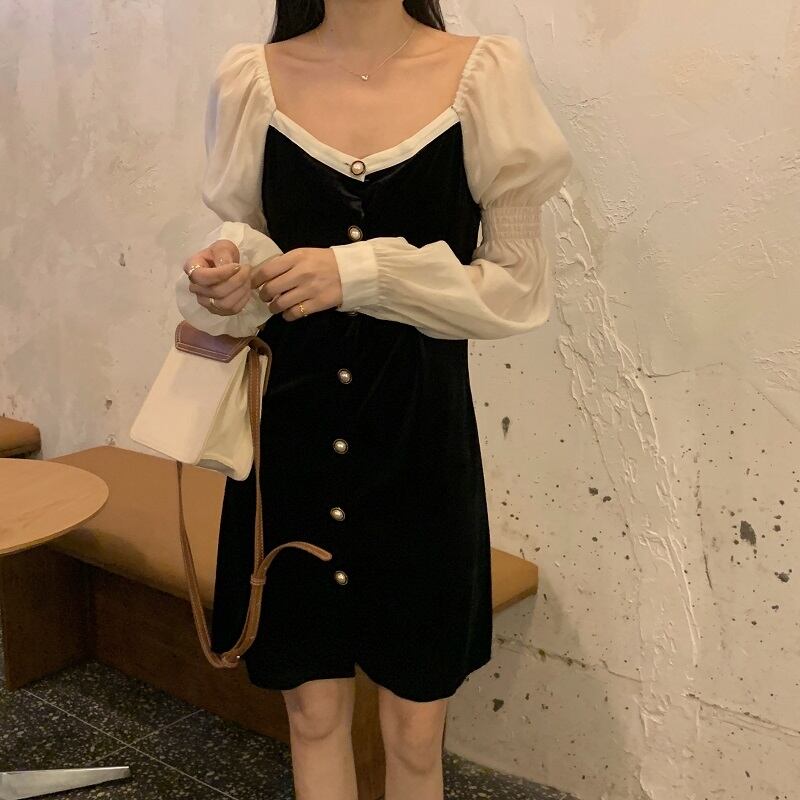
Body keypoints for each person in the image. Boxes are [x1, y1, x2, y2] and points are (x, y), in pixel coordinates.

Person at [175, 2, 572, 798]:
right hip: (289, 442)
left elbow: (519, 288)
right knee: (312, 715)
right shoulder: (252, 79)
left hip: (420, 446)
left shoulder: (484, 76)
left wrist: (362, 274)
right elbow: (254, 252)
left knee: (417, 733)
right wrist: (227, 278)